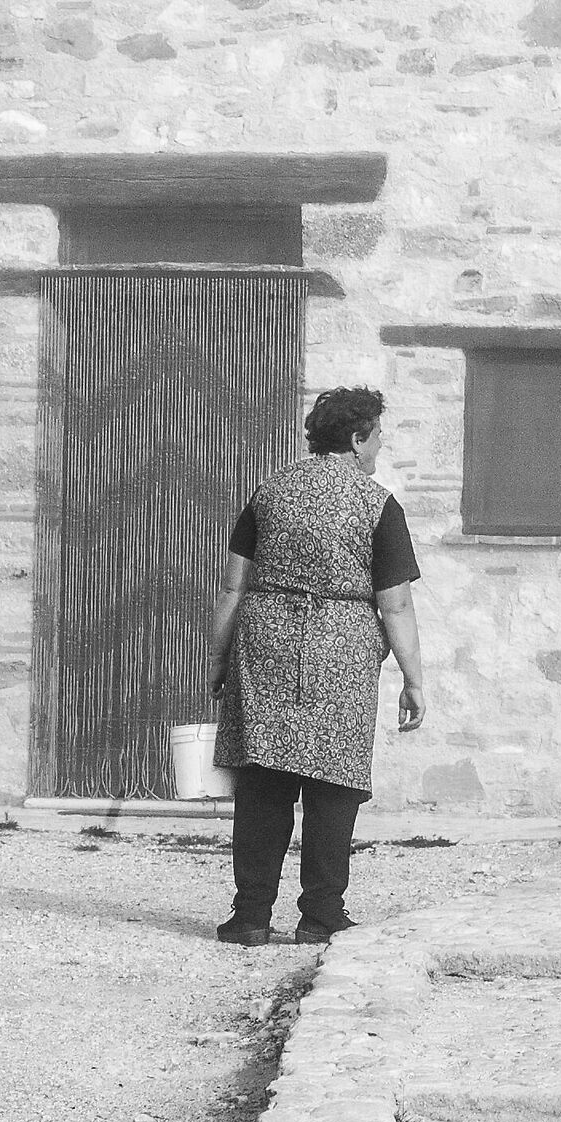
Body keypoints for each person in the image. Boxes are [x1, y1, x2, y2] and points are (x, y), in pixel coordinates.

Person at [208, 387, 428, 946]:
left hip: (266, 643)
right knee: (334, 783)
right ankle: (321, 914)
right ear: (357, 439)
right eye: (378, 436)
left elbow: (233, 586)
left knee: (263, 779)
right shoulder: (377, 504)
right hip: (342, 648)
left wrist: (219, 658)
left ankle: (250, 915)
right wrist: (413, 679)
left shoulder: (270, 490)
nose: (380, 446)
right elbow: (396, 604)